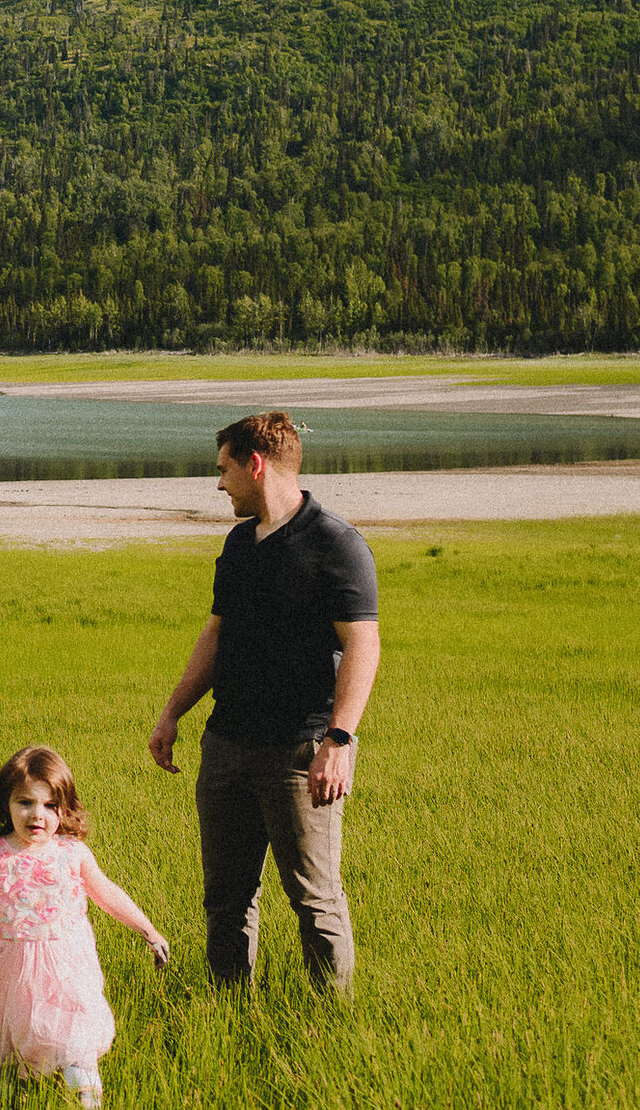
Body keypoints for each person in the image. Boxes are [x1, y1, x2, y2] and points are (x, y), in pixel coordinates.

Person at [148, 410, 380, 993]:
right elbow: (216, 634)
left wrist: (339, 740)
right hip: (226, 747)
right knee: (225, 900)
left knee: (314, 899)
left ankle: (333, 1023)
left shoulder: (336, 544)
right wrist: (174, 713)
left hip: (299, 755)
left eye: (224, 469)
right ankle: (229, 1012)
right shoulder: (238, 544)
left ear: (256, 465)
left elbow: (363, 645)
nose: (218, 483)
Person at [0, 746, 169, 1108]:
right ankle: (6, 1094)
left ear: (64, 809)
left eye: (50, 806)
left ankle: (87, 1097)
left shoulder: (73, 853)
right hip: (5, 968)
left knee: (73, 1039)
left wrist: (148, 930)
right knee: (4, 1046)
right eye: (25, 803)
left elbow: (108, 894)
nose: (38, 815)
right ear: (6, 804)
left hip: (65, 966)